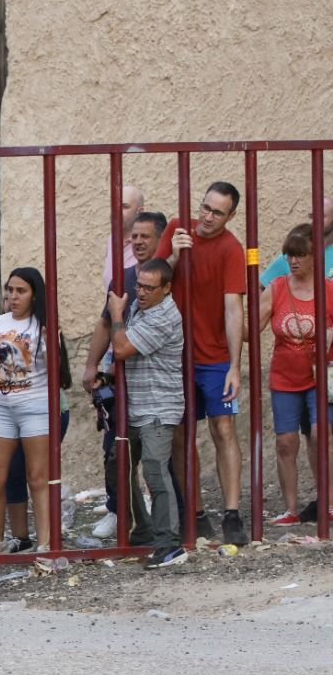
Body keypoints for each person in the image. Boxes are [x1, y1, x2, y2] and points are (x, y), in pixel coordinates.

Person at [157, 180, 248, 545]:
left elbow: (232, 309)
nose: (207, 217)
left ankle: (232, 514)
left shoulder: (231, 248)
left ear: (231, 215)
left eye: (217, 212)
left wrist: (235, 366)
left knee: (223, 429)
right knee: (181, 435)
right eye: (205, 208)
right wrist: (176, 256)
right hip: (176, 356)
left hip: (214, 358)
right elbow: (153, 279)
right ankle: (193, 511)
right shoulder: (178, 227)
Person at [82, 212, 171, 542]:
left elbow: (120, 336)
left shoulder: (168, 277)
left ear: (161, 239)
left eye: (145, 236)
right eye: (134, 236)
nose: (137, 242)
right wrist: (91, 366)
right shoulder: (122, 278)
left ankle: (172, 529)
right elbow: (105, 323)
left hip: (158, 387)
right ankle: (130, 521)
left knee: (159, 462)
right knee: (116, 457)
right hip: (123, 385)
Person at [0, 266, 67, 553]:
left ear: (34, 295)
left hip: (35, 406)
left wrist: (51, 345)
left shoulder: (44, 324)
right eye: (10, 290)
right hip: (0, 407)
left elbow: (57, 373)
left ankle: (46, 543)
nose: (13, 296)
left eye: (21, 291)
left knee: (37, 476)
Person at [107, 259, 187, 568]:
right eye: (138, 285)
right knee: (119, 464)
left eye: (148, 288)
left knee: (154, 467)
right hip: (137, 406)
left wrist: (116, 314)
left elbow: (122, 349)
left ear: (166, 289)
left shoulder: (164, 316)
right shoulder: (143, 308)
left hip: (159, 407)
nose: (140, 292)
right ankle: (143, 529)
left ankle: (169, 544)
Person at [261, 224, 333, 523]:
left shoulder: (329, 290)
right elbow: (252, 329)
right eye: (289, 254)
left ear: (315, 256)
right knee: (285, 442)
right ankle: (290, 509)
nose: (293, 261)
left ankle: (326, 503)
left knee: (321, 436)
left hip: (320, 377)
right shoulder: (277, 287)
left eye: (300, 255)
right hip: (285, 376)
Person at [260, 196, 333, 288]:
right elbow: (260, 285)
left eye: (321, 216)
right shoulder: (296, 254)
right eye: (311, 216)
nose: (314, 221)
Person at [105, 184, 146, 287]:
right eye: (114, 205)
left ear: (140, 212)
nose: (117, 211)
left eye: (124, 206)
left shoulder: (147, 243)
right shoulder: (112, 240)